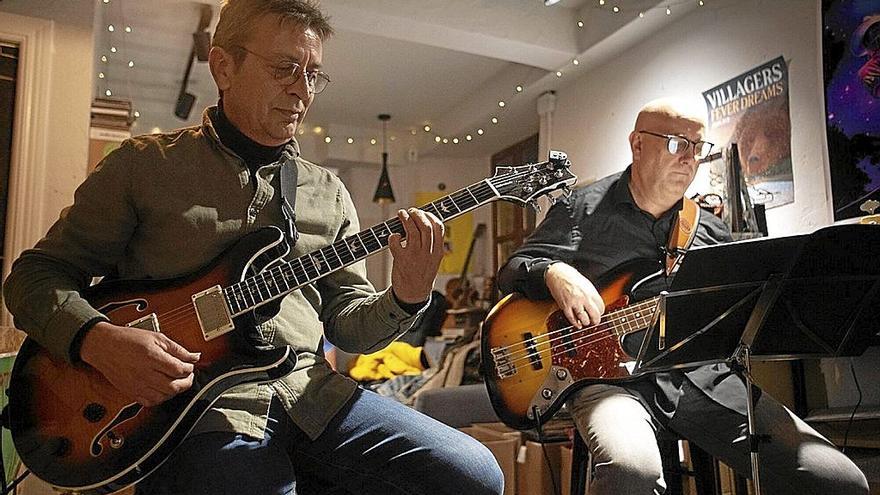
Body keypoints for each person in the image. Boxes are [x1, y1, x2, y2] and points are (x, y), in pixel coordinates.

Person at [2, 1, 504, 494]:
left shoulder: (327, 193)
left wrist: (408, 295)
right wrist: (97, 339)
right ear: (224, 65)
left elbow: (349, 325)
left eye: (313, 74)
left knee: (477, 474)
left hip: (313, 396)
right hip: (195, 410)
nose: (302, 90)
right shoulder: (144, 166)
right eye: (285, 68)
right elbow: (35, 276)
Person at [496, 98, 869, 494]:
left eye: (698, 147)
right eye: (677, 144)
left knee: (840, 480)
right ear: (637, 144)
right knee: (630, 469)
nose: (689, 158)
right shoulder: (580, 210)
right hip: (609, 383)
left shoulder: (709, 231)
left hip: (699, 381)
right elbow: (512, 270)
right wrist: (554, 272)